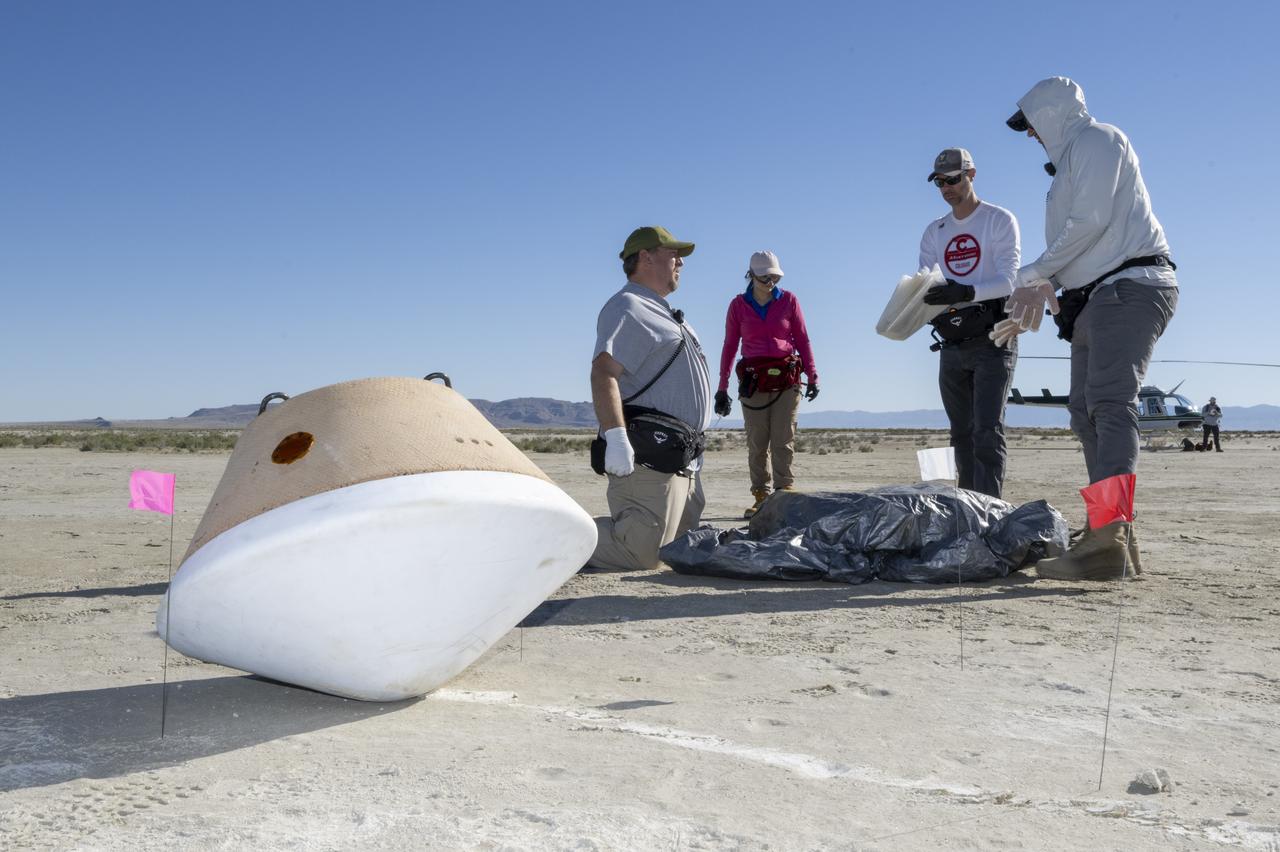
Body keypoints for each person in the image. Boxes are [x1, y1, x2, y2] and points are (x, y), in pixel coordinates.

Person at [994, 77, 1178, 580]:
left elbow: (1091, 222)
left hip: (1131, 285)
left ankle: (1108, 533)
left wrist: (1034, 273)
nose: (1029, 134)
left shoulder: (1099, 139)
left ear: (1051, 113)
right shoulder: (1068, 165)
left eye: (1030, 124)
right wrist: (1046, 284)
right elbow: (1082, 242)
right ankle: (1110, 534)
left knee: (1109, 403)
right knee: (1084, 412)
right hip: (1097, 296)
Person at [587, 226, 711, 571]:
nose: (681, 262)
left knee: (671, 554)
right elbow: (603, 373)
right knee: (636, 553)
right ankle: (540, 541)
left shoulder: (662, 311)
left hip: (680, 457)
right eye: (674, 254)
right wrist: (616, 437)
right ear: (645, 257)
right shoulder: (629, 306)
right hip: (649, 457)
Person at [916, 148, 1020, 499]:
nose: (947, 188)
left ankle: (990, 511)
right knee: (961, 432)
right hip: (952, 342)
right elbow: (925, 283)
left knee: (987, 431)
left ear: (971, 175)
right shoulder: (935, 231)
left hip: (993, 337)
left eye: (954, 179)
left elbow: (1009, 280)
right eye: (940, 182)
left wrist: (967, 291)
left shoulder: (998, 220)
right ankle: (968, 506)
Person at [714, 251, 819, 517]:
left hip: (787, 378)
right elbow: (729, 346)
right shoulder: (738, 306)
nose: (770, 281)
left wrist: (812, 375)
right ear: (751, 275)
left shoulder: (789, 301)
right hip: (753, 381)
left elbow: (803, 339)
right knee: (757, 441)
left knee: (783, 439)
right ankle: (761, 496)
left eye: (774, 276)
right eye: (764, 277)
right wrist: (722, 387)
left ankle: (784, 494)